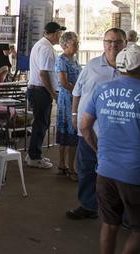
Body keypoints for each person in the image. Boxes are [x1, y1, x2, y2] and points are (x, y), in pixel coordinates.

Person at [80, 43, 140, 254]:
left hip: (105, 172)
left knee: (109, 223)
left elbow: (84, 126)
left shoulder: (102, 90)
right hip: (138, 174)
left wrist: (99, 152)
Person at [66, 28, 126, 220]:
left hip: (118, 132)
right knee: (86, 168)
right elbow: (77, 91)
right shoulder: (92, 66)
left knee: (119, 173)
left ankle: (121, 212)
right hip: (89, 129)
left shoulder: (132, 68)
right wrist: (75, 114)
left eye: (118, 42)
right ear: (103, 43)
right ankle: (88, 205)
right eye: (109, 41)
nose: (113, 46)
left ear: (125, 44)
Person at [26, 22, 65, 169]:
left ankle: (32, 154)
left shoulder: (41, 45)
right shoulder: (46, 49)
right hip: (40, 90)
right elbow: (43, 74)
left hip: (37, 89)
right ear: (55, 34)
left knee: (41, 122)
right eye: (60, 34)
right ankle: (35, 157)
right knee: (41, 123)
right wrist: (52, 93)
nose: (60, 37)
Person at [55, 31, 81, 181]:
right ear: (65, 45)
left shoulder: (74, 59)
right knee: (69, 131)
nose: (77, 46)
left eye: (77, 43)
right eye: (74, 43)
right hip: (68, 99)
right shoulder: (62, 60)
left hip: (74, 97)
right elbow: (63, 83)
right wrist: (78, 91)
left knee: (70, 132)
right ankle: (68, 167)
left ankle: (66, 165)